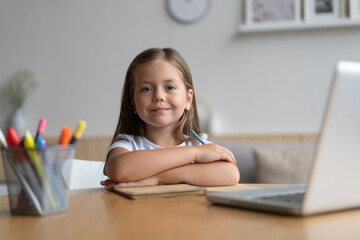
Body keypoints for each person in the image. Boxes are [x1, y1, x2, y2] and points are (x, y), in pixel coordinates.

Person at [101, 48, 239, 190]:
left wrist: (156, 178)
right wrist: (195, 154)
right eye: (146, 89)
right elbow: (119, 169)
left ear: (188, 99)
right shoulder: (128, 144)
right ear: (133, 103)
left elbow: (231, 173)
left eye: (170, 87)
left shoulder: (198, 143)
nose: (159, 96)